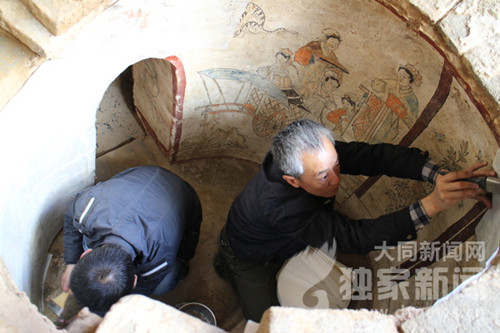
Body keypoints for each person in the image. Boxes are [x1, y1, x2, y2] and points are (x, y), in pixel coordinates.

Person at [213, 119, 496, 322]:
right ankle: (224, 264)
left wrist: (438, 176)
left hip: (281, 237)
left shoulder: (314, 155)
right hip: (247, 252)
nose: (336, 179)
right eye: (324, 176)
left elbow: (374, 157)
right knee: (264, 319)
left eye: (336, 164)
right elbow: (356, 238)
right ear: (292, 180)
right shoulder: (281, 206)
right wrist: (433, 203)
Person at [60, 165, 202, 316]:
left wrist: (105, 315)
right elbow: (70, 217)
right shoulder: (86, 209)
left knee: (164, 283)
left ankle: (181, 268)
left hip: (182, 195)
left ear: (135, 281)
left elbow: (143, 290)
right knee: (84, 239)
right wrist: (71, 263)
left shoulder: (160, 255)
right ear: (84, 255)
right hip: (146, 174)